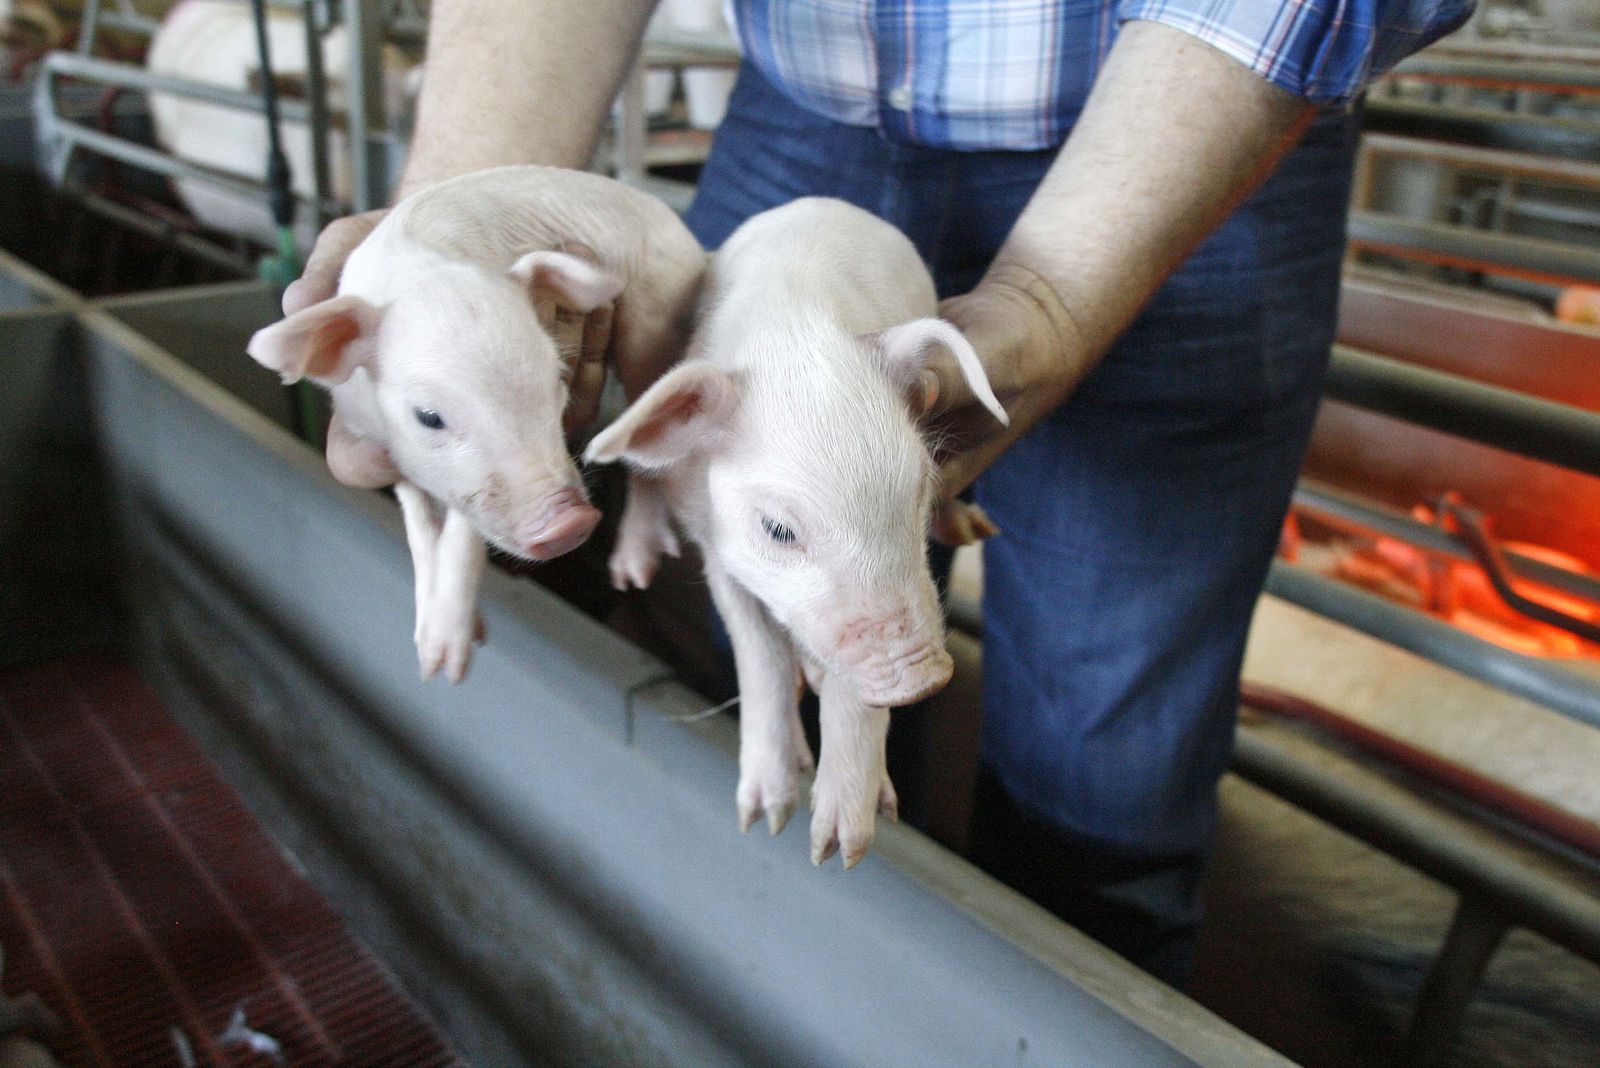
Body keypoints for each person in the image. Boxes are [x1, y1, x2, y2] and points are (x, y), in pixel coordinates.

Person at [285, 0, 1473, 985]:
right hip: (807, 111)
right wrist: (453, 229)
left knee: (1107, 743)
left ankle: (1064, 1008)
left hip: (1195, 109)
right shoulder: (668, 399)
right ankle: (760, 981)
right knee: (739, 602)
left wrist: (1056, 307)